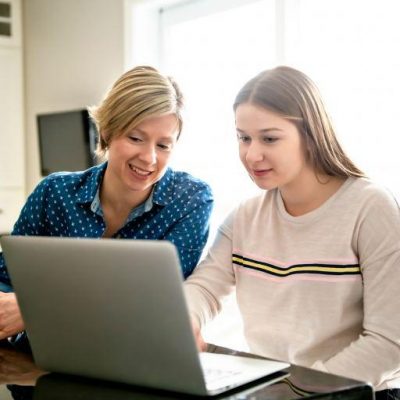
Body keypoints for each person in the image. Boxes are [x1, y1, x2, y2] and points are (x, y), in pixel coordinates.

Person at [185, 66, 400, 399]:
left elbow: (390, 342)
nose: (251, 154)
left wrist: (303, 390)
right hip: (275, 391)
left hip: (352, 394)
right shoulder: (245, 217)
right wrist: (186, 316)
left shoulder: (370, 208)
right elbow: (204, 288)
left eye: (269, 138)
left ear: (311, 135)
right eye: (243, 137)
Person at [0, 65, 213, 340]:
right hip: (40, 358)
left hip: (133, 359)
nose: (149, 158)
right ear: (107, 131)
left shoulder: (190, 200)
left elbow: (155, 299)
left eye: (163, 146)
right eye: (136, 138)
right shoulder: (54, 193)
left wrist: (36, 308)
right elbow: (8, 275)